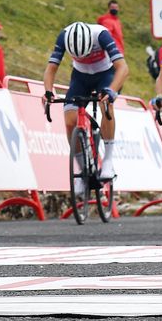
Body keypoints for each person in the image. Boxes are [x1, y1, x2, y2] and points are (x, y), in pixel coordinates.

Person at [42, 21, 129, 193]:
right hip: (80, 77)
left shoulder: (101, 35)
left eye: (85, 54)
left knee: (106, 105)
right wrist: (48, 91)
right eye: (77, 56)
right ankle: (84, 172)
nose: (83, 58)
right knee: (69, 120)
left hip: (106, 75)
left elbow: (123, 68)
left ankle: (108, 161)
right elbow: (51, 69)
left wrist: (111, 91)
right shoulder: (64, 36)